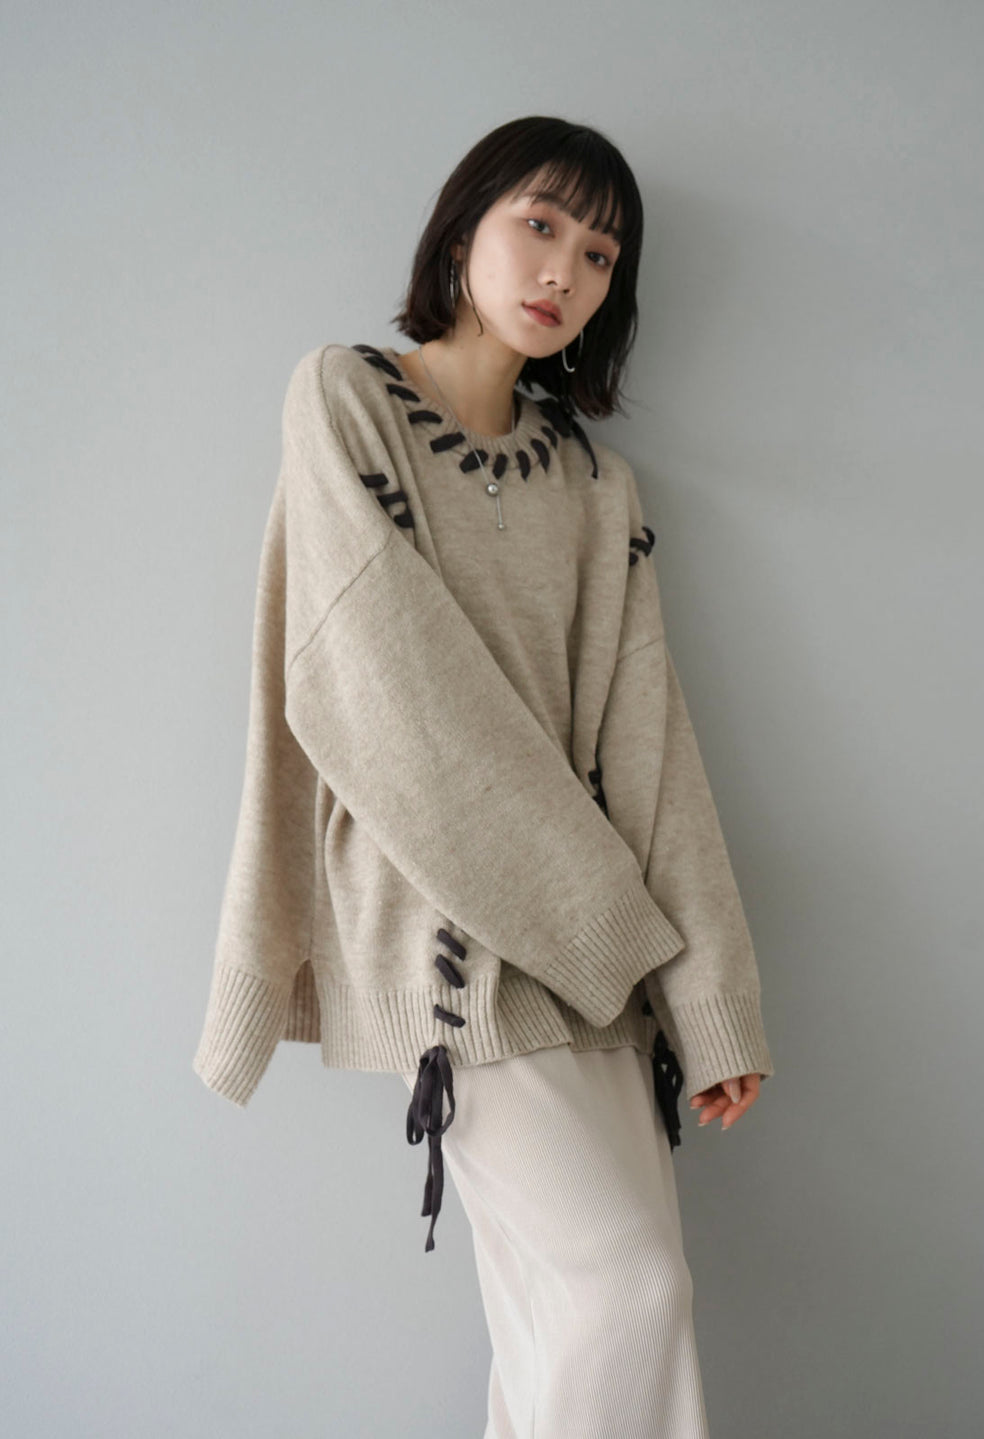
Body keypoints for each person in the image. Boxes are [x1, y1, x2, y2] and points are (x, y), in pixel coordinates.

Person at [193, 113, 775, 1438]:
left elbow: (650, 746)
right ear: (464, 230)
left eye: (601, 254)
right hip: (454, 942)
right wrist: (610, 927)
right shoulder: (347, 399)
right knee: (628, 1297)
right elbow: (384, 688)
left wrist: (711, 1006)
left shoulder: (597, 486)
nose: (564, 269)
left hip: (601, 969)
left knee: (563, 1333)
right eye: (540, 223)